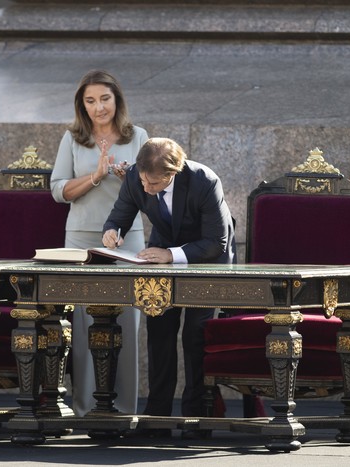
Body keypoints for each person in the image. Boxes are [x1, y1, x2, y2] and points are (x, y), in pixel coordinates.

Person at [102, 137, 236, 439]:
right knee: (159, 330)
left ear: (172, 173)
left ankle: (195, 418)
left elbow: (218, 242)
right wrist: (111, 231)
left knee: (195, 335)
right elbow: (119, 215)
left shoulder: (204, 181)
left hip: (208, 259)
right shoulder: (138, 176)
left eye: (154, 185)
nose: (146, 189)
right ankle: (157, 418)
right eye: (143, 182)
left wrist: (171, 255)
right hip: (162, 258)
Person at [50, 70, 148, 417]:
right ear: (82, 105)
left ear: (117, 100)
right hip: (81, 238)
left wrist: (130, 178)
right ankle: (84, 408)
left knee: (127, 323)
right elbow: (58, 190)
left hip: (127, 238)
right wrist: (96, 175)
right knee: (84, 323)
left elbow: (154, 187)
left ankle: (122, 409)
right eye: (90, 101)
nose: (99, 107)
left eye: (105, 99)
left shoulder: (138, 136)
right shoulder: (74, 138)